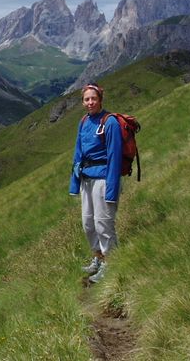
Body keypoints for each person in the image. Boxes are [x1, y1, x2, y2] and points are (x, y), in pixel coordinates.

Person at [69, 83, 123, 284]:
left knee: (103, 224)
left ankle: (111, 263)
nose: (90, 102)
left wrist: (112, 190)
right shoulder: (84, 122)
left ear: (100, 99)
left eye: (93, 98)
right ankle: (98, 258)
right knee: (88, 223)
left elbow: (115, 157)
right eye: (86, 99)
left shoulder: (110, 123)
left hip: (103, 179)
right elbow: (78, 153)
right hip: (86, 179)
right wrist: (75, 184)